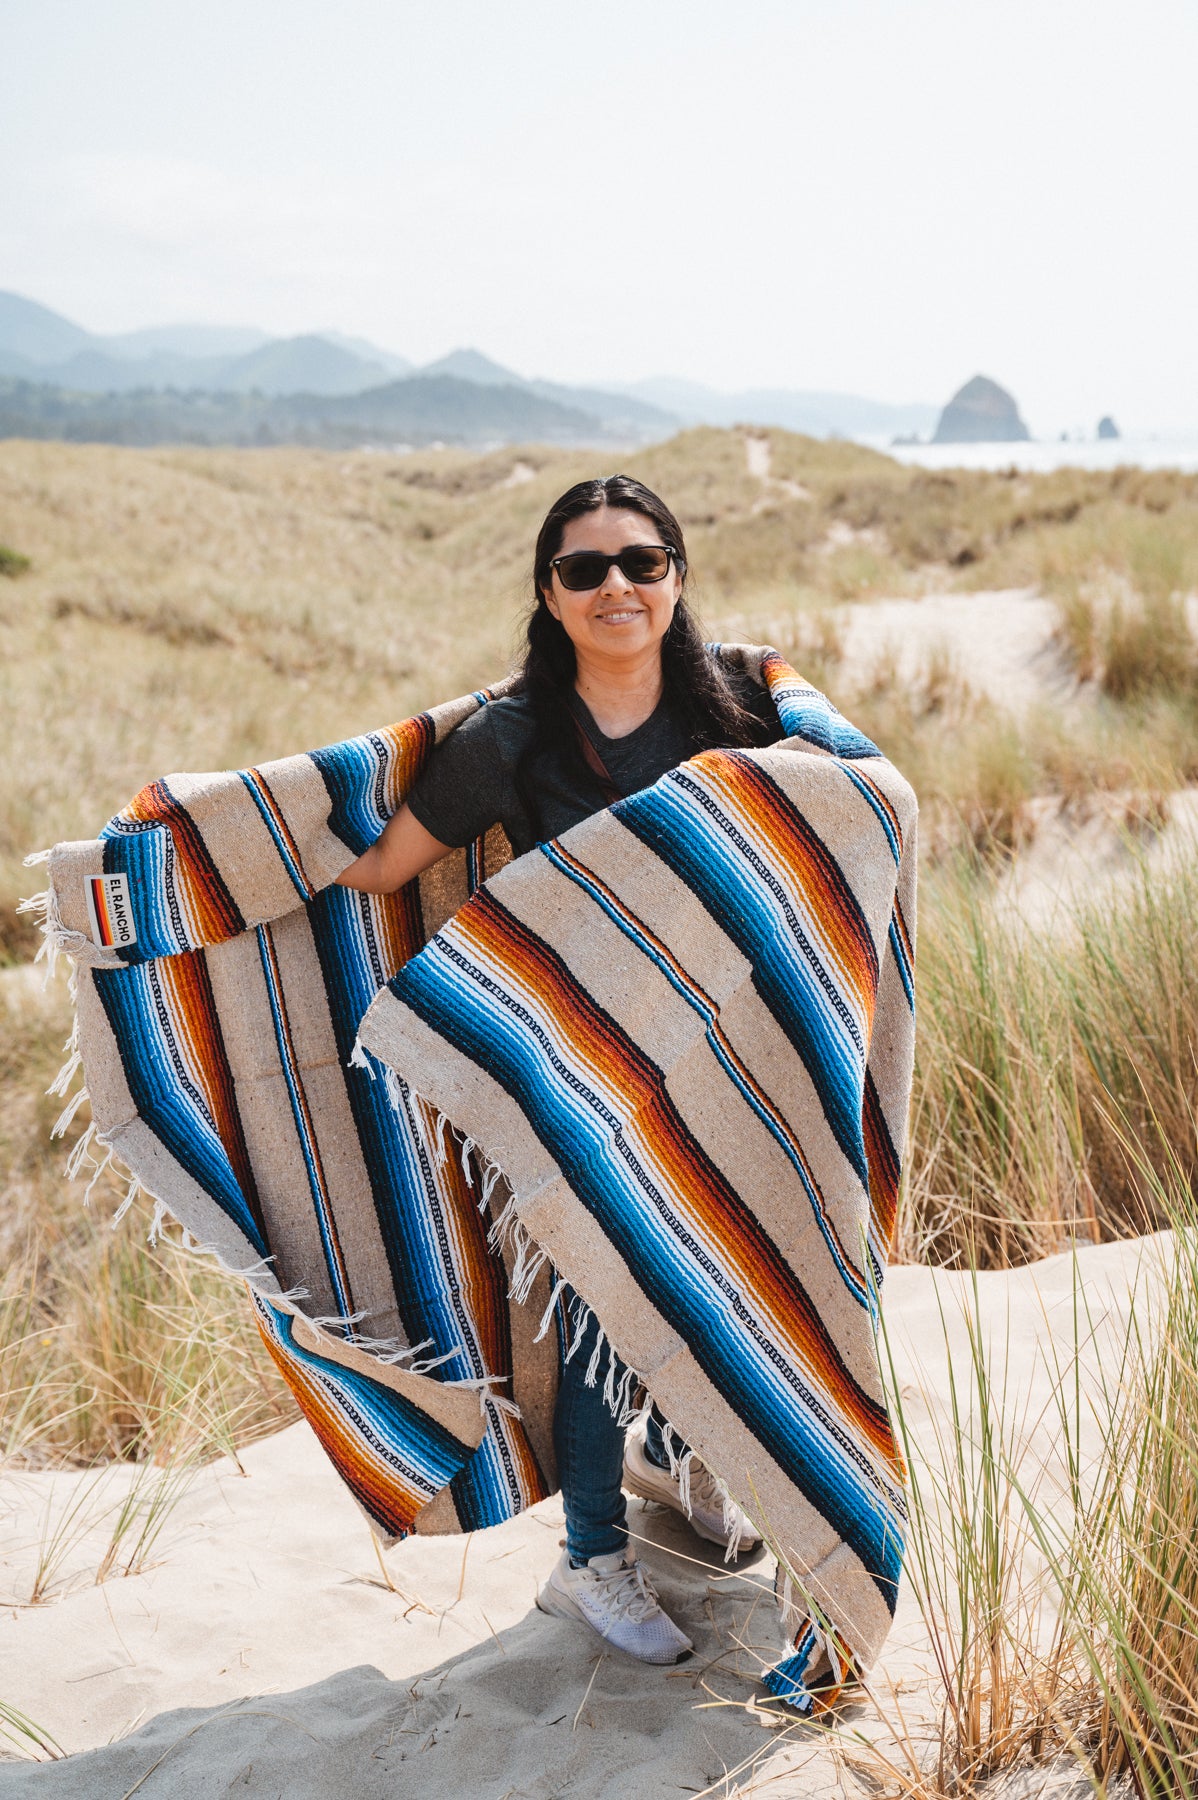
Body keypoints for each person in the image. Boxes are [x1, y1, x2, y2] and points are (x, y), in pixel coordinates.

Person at [336, 475, 783, 1665]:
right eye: (584, 569)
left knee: (716, 1274)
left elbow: (835, 813)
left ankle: (679, 1461)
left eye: (640, 562)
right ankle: (590, 1557)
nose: (615, 587)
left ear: (676, 575)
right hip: (576, 1066)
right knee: (597, 1298)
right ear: (548, 593)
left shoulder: (741, 709)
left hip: (722, 1051)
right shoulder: (512, 736)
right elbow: (382, 870)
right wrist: (232, 844)